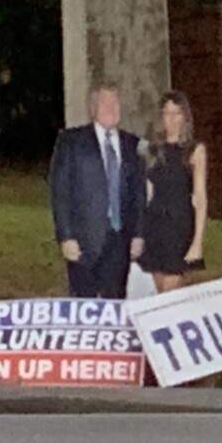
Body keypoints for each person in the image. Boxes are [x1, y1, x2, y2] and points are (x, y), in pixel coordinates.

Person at [49, 83, 146, 299]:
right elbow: (60, 192)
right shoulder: (71, 141)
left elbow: (138, 193)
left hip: (120, 242)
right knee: (84, 308)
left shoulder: (132, 144)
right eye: (106, 102)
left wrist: (138, 234)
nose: (112, 107)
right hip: (84, 242)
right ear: (93, 108)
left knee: (116, 306)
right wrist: (65, 237)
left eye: (115, 102)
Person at [139, 91, 208, 292]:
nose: (172, 119)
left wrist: (197, 242)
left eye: (176, 113)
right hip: (154, 226)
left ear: (184, 116)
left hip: (179, 225)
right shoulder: (152, 151)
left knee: (171, 289)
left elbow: (200, 197)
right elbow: (146, 194)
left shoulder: (194, 150)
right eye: (167, 113)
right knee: (160, 290)